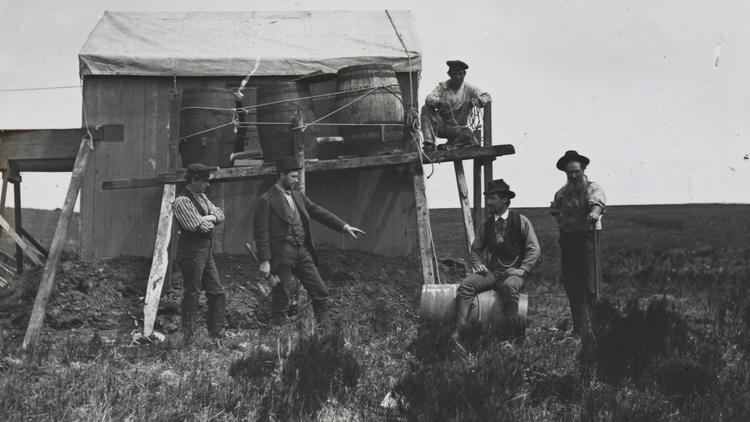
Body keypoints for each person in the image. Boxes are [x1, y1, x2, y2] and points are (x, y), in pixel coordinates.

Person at [253, 158, 366, 328]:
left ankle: (325, 334)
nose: (297, 180)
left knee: (320, 291)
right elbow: (261, 232)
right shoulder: (266, 200)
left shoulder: (297, 196)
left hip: (302, 250)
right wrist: (265, 260)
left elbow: (317, 212)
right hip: (282, 253)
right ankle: (278, 336)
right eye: (293, 176)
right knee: (281, 295)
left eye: (297, 177)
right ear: (281, 175)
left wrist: (344, 226)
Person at [454, 179, 540, 338]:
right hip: (493, 272)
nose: (488, 202)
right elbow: (476, 249)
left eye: (492, 198)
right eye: (488, 198)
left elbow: (533, 248)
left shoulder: (521, 221)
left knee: (509, 287)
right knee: (466, 286)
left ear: (505, 200)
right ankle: (460, 331)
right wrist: (478, 264)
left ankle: (512, 335)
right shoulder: (486, 225)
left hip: (513, 273)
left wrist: (523, 270)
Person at [550, 150, 607, 339]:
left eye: (576, 171)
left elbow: (597, 202)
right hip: (568, 239)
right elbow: (555, 208)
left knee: (590, 283)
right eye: (569, 173)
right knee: (572, 284)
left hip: (587, 237)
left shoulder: (592, 188)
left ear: (583, 169)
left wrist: (595, 212)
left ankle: (594, 326)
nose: (573, 176)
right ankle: (578, 327)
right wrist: (560, 219)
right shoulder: (562, 193)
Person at [172, 163, 226, 343]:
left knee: (216, 291)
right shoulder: (181, 201)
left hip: (205, 250)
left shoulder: (201, 197)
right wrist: (208, 219)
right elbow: (199, 227)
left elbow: (220, 215)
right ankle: (189, 337)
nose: (208, 185)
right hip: (191, 251)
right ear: (194, 180)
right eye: (205, 181)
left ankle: (216, 335)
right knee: (192, 293)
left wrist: (208, 217)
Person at [421, 60, 492, 151]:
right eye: (454, 74)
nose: (457, 77)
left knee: (468, 134)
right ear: (449, 74)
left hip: (458, 129)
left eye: (460, 74)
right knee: (425, 109)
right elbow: (429, 98)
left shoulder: (469, 88)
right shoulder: (442, 87)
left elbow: (487, 96)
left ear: (464, 74)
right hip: (441, 125)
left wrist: (478, 101)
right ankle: (429, 144)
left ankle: (451, 145)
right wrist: (439, 101)